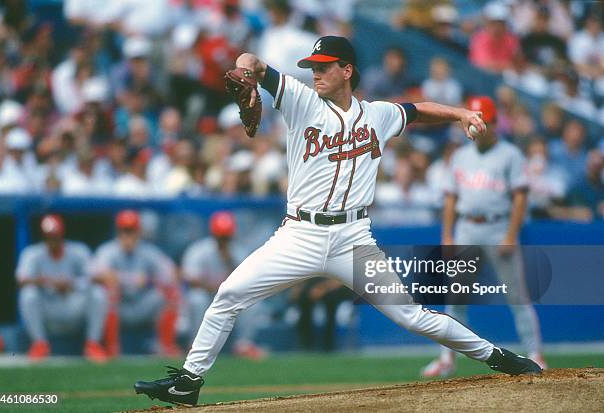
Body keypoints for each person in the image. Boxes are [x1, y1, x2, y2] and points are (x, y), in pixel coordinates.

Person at [135, 36, 541, 406]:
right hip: (299, 234)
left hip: (353, 239)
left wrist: (459, 114)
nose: (315, 73)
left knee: (411, 316)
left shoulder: (378, 115)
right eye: (313, 66)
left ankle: (499, 356)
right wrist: (244, 72)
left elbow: (416, 111)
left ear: (346, 70)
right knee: (228, 295)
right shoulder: (300, 100)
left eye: (324, 66)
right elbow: (253, 62)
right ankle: (188, 381)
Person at [421, 96, 546, 379]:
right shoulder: (461, 156)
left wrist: (511, 235)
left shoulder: (510, 154)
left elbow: (520, 197)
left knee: (517, 295)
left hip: (498, 227)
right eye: (476, 119)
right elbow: (451, 199)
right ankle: (447, 358)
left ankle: (535, 352)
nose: (479, 125)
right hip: (467, 227)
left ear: (493, 122)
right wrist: (448, 236)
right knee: (456, 297)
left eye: (484, 120)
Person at [16, 214, 108, 362]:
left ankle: (93, 344)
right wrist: (47, 281)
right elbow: (21, 280)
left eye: (55, 235)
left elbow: (99, 277)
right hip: (49, 307)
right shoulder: (33, 253)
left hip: (73, 305)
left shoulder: (78, 250)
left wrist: (72, 283)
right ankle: (39, 344)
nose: (52, 240)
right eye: (49, 236)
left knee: (98, 293)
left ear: (61, 234)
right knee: (28, 294)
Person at [92, 210, 179, 355]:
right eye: (125, 231)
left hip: (142, 304)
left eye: (131, 231)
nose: (128, 236)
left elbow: (172, 274)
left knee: (171, 292)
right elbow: (98, 275)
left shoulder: (148, 251)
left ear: (138, 232)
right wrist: (129, 279)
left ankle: (165, 347)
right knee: (105, 292)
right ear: (118, 232)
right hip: (120, 306)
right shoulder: (108, 250)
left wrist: (151, 280)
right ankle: (111, 349)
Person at [181, 211, 266, 359]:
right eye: (221, 236)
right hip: (206, 295)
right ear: (214, 234)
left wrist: (229, 261)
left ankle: (243, 346)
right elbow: (190, 280)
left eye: (226, 236)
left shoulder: (238, 251)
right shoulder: (199, 250)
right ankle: (194, 346)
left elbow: (247, 281)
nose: (223, 240)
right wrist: (216, 288)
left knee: (254, 303)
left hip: (229, 297)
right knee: (197, 299)